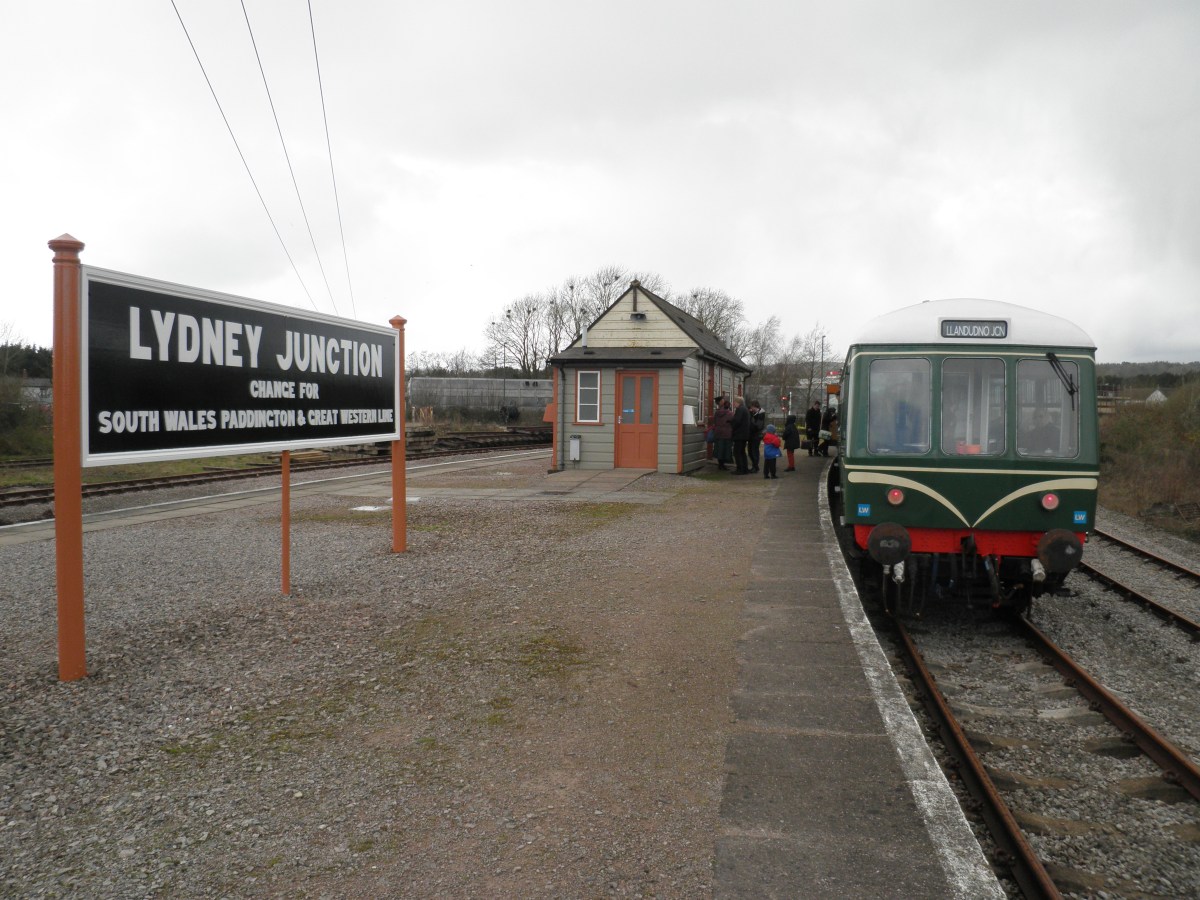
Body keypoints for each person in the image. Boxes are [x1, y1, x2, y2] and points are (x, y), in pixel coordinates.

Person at [711, 398, 734, 470]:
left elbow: (714, 421)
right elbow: (733, 422)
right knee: (726, 450)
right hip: (727, 433)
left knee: (719, 449)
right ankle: (723, 465)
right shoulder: (730, 414)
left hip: (718, 433)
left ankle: (720, 464)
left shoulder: (717, 413)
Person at [730, 396, 751, 474]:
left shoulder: (740, 410)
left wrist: (732, 424)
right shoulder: (745, 409)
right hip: (744, 434)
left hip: (739, 434)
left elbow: (737, 421)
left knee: (737, 452)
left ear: (738, 402)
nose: (733, 404)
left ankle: (740, 469)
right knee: (742, 452)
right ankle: (744, 468)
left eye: (734, 402)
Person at [747, 400, 765, 473]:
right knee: (751, 451)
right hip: (753, 435)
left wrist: (751, 417)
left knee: (754, 451)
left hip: (756, 435)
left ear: (754, 406)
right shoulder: (756, 414)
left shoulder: (759, 415)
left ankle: (755, 466)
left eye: (752, 407)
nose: (751, 409)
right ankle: (755, 466)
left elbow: (757, 426)